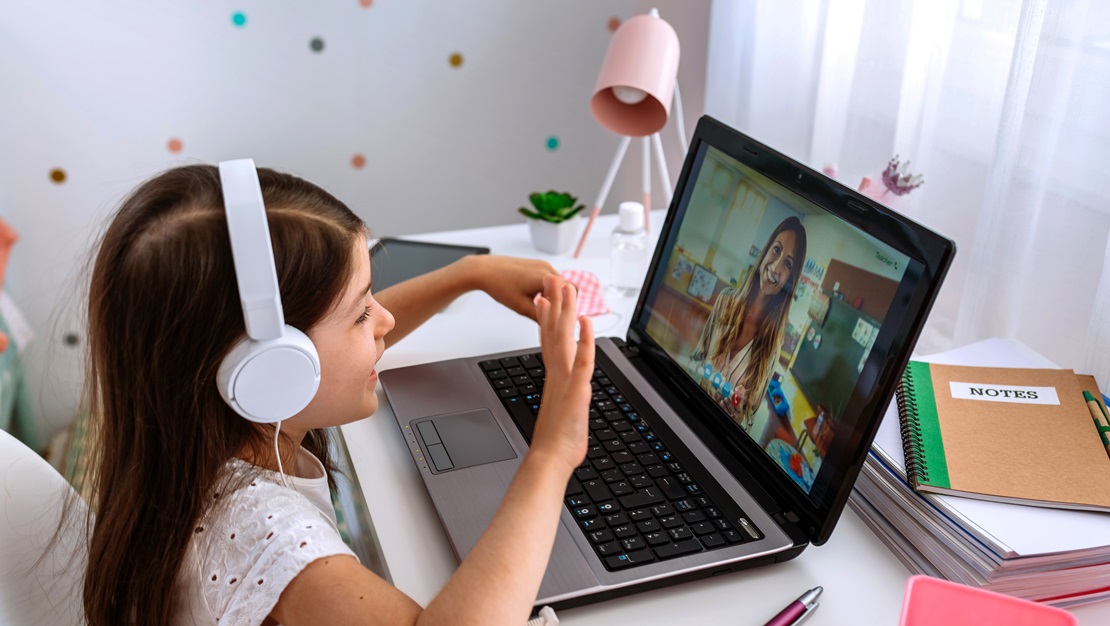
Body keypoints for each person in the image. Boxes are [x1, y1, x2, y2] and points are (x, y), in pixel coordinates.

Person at [76, 164, 595, 625]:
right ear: (273, 369)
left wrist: (467, 276)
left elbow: (336, 346)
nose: (384, 319)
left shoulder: (199, 434)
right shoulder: (268, 539)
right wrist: (551, 454)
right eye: (362, 311)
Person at [688, 216, 807, 429]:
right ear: (766, 251)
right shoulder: (725, 300)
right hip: (690, 413)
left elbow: (748, 418)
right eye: (777, 250)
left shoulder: (772, 349)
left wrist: (737, 416)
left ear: (790, 279)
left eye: (788, 264)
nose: (776, 266)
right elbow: (697, 358)